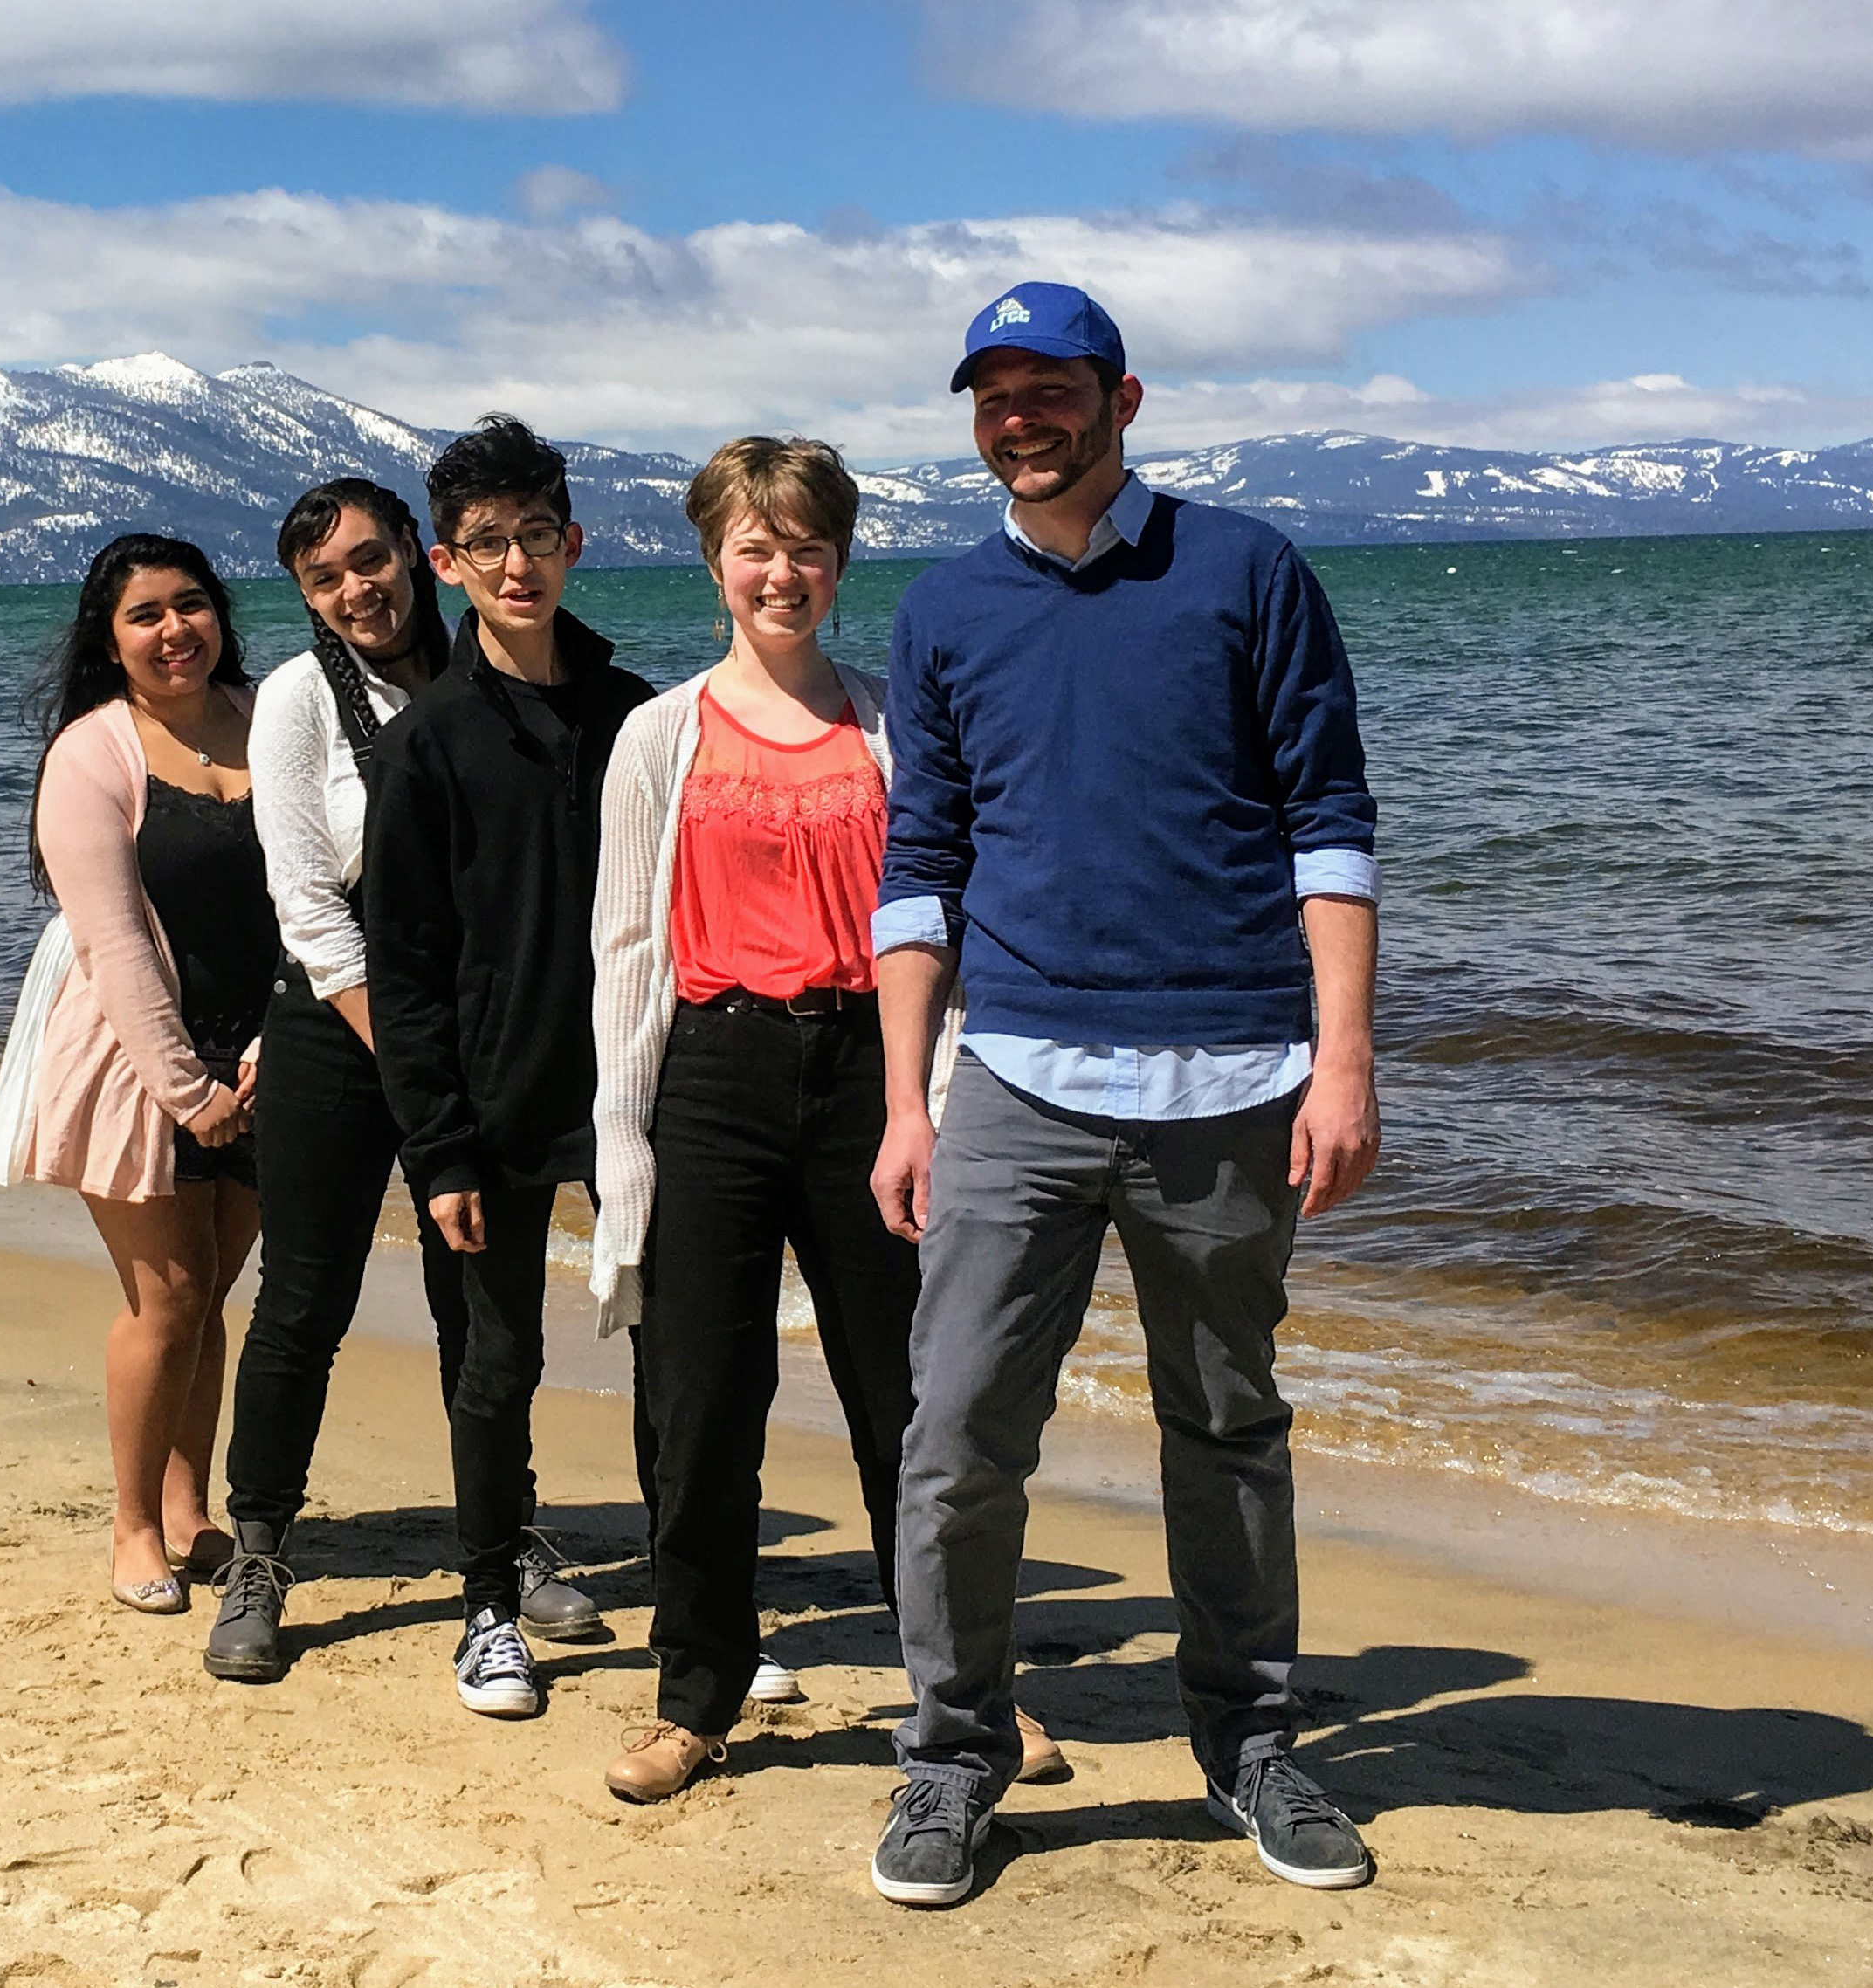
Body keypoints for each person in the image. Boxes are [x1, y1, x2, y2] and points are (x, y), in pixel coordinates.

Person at [864, 284, 1382, 1906]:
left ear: (1123, 398)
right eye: (991, 394)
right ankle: (953, 1753)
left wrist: (1346, 1056)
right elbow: (920, 867)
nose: (1018, 417)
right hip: (1014, 1073)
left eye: (1049, 389)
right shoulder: (944, 611)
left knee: (1225, 1423)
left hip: (1230, 1076)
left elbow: (1329, 823)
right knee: (954, 1431)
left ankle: (1250, 1746)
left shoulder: (1244, 570)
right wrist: (905, 1101)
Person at [207, 480, 608, 1682]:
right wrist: (417, 1052)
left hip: (476, 1026)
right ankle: (262, 1548)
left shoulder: (485, 669)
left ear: (419, 560)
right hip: (340, 1022)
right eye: (325, 579)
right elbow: (310, 911)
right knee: (304, 1300)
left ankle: (506, 1530)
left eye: (369, 560)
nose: (355, 590)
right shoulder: (294, 700)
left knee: (483, 1308)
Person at [582, 436, 928, 1802]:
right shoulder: (659, 735)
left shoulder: (897, 720)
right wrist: (623, 1141)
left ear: (840, 563)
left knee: (910, 1401)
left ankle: (961, 1686)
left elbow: (939, 927)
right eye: (755, 545)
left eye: (807, 547)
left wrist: (929, 1101)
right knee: (704, 1402)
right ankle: (696, 1695)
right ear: (714, 558)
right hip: (711, 1079)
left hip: (865, 1079)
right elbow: (624, 950)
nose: (781, 571)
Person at [361, 419, 652, 1719]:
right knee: (497, 1359)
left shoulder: (635, 713)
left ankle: (703, 1600)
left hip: (640, 1089)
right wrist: (438, 1145)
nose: (518, 562)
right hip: (490, 1099)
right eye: (489, 543)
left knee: (679, 1349)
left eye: (539, 534)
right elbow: (406, 959)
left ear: (574, 542)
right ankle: (489, 1603)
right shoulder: (426, 740)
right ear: (448, 562)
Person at [11, 533, 276, 1614]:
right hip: (139, 1058)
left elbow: (323, 890)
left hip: (264, 1052)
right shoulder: (90, 752)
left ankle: (187, 1506)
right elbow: (114, 944)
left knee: (215, 1293)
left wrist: (263, 1053)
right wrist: (188, 1087)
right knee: (161, 1301)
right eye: (145, 615)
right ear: (108, 640)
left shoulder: (274, 724)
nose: (175, 631)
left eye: (192, 605)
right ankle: (131, 1529)